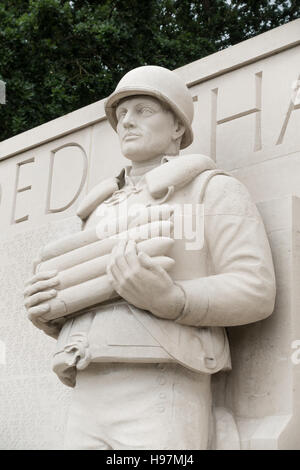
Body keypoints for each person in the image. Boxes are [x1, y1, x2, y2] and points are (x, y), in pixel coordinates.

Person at [23, 65, 276, 450]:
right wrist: (49, 312)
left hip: (162, 380)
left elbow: (255, 288)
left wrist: (174, 300)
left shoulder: (213, 190)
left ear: (177, 127)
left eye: (143, 110)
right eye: (122, 114)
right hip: (88, 385)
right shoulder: (99, 208)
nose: (127, 122)